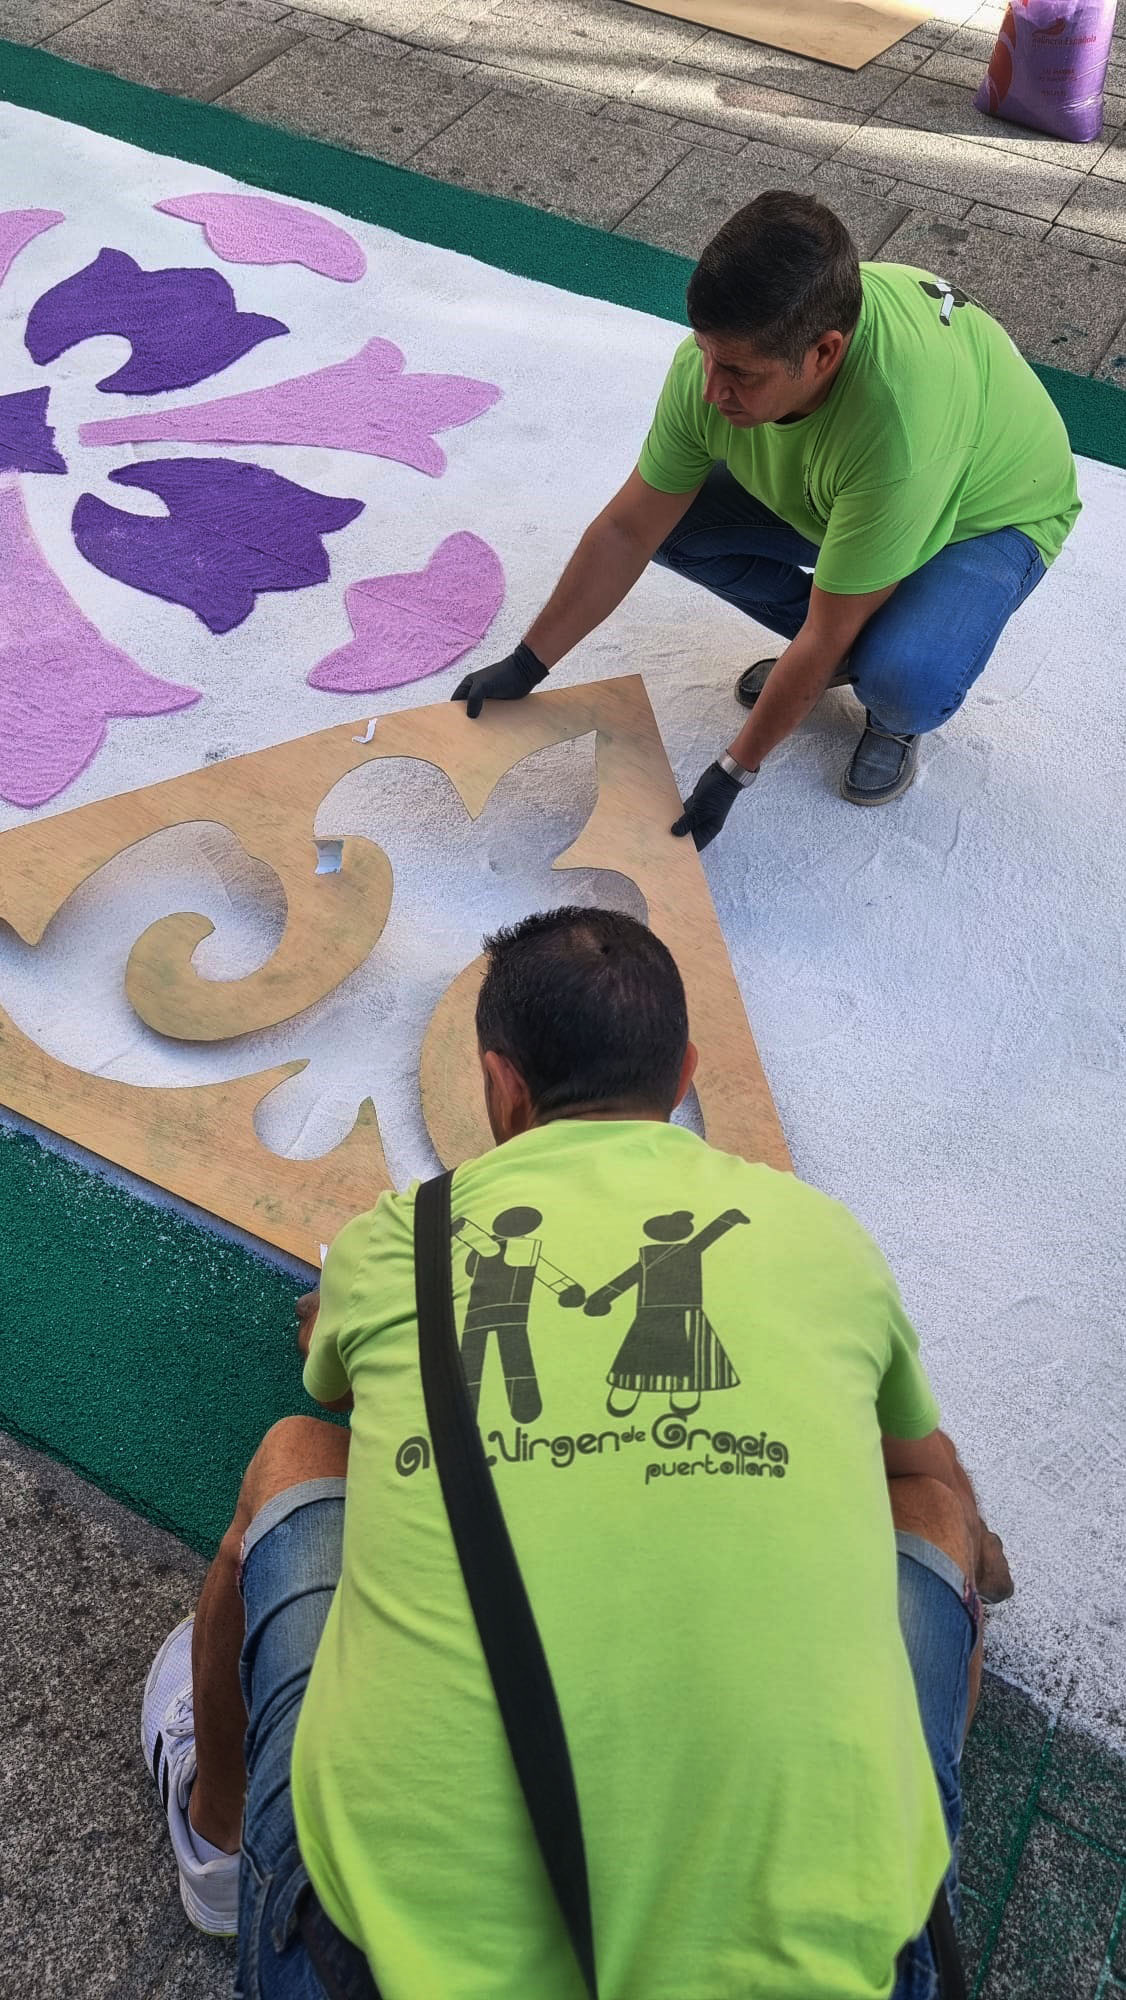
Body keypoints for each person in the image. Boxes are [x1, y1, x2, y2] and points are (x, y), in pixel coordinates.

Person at [142, 907, 1012, 1998]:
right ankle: (861, 1833)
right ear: (686, 1069)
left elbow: (336, 1383)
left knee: (294, 1455)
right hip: (849, 1979)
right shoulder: (819, 1235)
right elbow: (931, 1479)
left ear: (501, 1087)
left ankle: (219, 1849)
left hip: (366, 1971)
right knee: (930, 1520)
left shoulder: (401, 1240)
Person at [452, 191, 1079, 846]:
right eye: (706, 354)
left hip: (991, 511)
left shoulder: (896, 433)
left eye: (740, 373)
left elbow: (830, 624)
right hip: (855, 490)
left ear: (824, 354)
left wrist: (734, 770)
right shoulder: (722, 368)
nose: (711, 390)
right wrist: (528, 664)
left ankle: (891, 708)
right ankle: (843, 652)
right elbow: (628, 530)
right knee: (680, 529)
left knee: (903, 678)